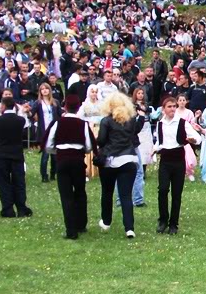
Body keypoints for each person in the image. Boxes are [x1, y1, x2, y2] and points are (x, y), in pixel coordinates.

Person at [45, 95, 95, 240]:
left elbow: (48, 144)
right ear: (79, 107)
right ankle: (81, 223)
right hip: (78, 161)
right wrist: (79, 150)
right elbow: (89, 146)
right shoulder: (83, 124)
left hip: (62, 161)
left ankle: (71, 230)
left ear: (65, 107)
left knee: (66, 195)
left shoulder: (57, 123)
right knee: (80, 192)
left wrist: (59, 151)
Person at [96, 93, 144, 240]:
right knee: (126, 195)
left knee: (107, 192)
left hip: (110, 161)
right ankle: (129, 228)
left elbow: (101, 141)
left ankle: (106, 221)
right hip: (129, 159)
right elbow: (135, 132)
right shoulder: (130, 121)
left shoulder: (106, 121)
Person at [152, 95, 202, 235]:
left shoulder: (182, 123)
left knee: (176, 193)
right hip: (165, 160)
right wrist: (154, 149)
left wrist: (193, 139)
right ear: (163, 109)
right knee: (162, 190)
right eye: (169, 106)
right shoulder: (160, 123)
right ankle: (163, 220)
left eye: (174, 106)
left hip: (178, 160)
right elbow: (160, 141)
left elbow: (197, 138)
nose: (172, 109)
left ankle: (173, 223)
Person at [0, 96, 33, 219]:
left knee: (3, 182)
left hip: (2, 154)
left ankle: (7, 209)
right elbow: (23, 133)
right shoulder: (20, 120)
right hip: (17, 154)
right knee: (19, 182)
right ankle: (21, 208)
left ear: (3, 106)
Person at [30, 83, 61, 182]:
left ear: (49, 90)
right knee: (45, 155)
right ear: (40, 91)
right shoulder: (38, 103)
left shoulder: (55, 102)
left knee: (55, 155)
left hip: (55, 130)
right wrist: (27, 112)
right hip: (44, 131)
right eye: (42, 89)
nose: (44, 90)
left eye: (46, 88)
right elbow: (32, 114)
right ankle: (44, 176)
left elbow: (60, 115)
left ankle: (53, 174)